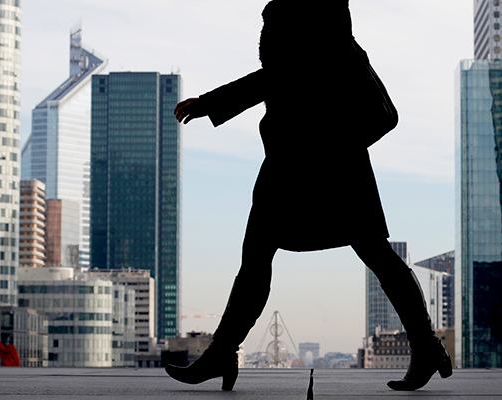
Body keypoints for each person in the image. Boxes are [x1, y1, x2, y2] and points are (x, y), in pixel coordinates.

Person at [165, 0, 451, 391]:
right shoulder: (298, 7)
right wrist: (215, 102)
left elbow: (284, 73)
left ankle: (427, 347)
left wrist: (213, 102)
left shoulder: (322, 9)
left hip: (328, 161)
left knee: (373, 253)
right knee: (262, 256)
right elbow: (280, 74)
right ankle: (221, 353)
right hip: (295, 160)